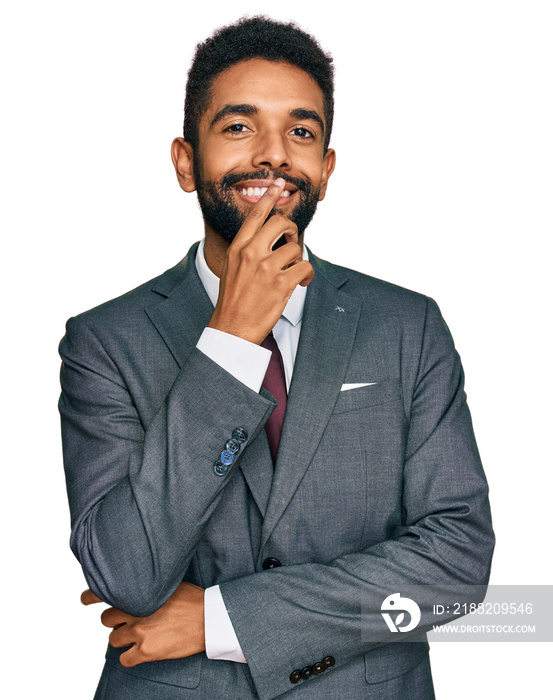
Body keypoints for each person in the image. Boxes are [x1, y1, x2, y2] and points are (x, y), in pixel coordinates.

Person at [59, 16, 494, 700]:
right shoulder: (104, 342)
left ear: (324, 166)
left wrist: (221, 619)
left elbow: (457, 568)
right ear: (184, 161)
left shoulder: (407, 327)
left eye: (300, 131)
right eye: (238, 127)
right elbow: (126, 573)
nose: (272, 156)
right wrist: (229, 340)